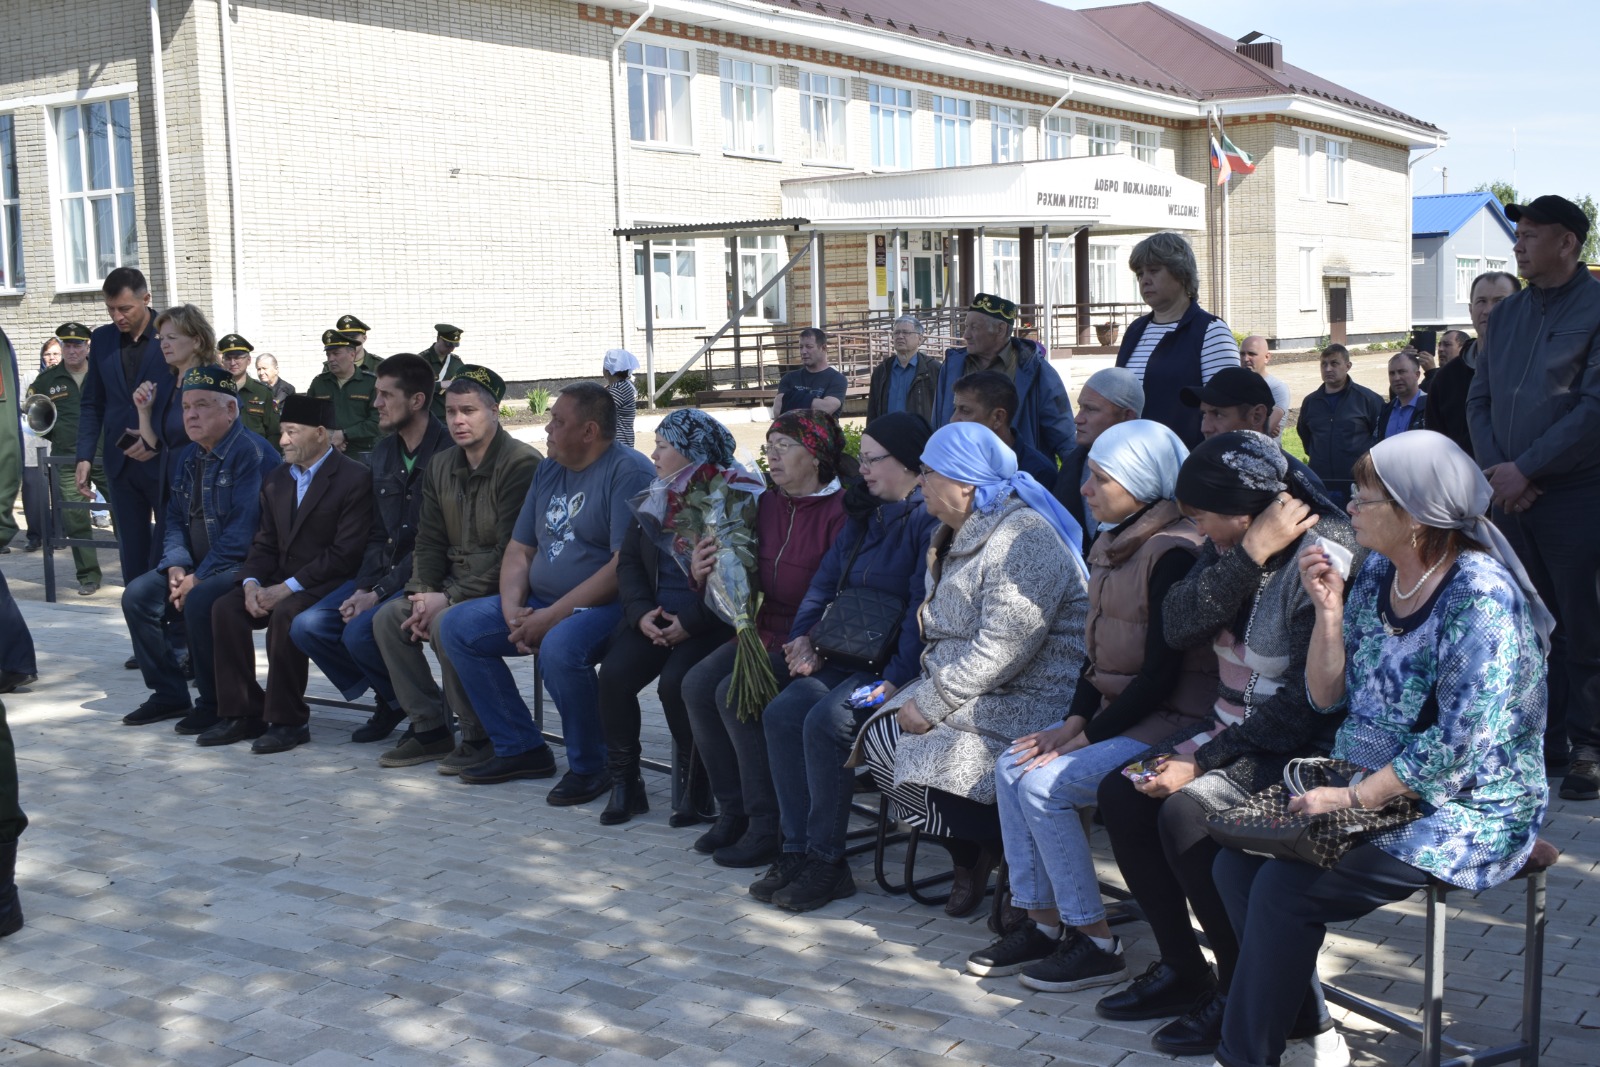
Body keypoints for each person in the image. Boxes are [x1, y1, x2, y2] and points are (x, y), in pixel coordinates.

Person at [1212, 432, 1550, 1067]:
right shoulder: (1374, 577)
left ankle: (1242, 1058)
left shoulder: (1480, 596)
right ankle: (1310, 1030)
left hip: (1468, 805)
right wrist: (1330, 614)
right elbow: (1323, 696)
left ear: (1415, 515)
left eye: (1365, 496)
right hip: (1375, 786)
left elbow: (1459, 747)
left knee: (1284, 890)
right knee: (1235, 867)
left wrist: (1347, 796)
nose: (1352, 506)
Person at [1090, 431, 1357, 1059]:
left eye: (1205, 518)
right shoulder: (1235, 543)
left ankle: (1243, 988)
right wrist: (1247, 554)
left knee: (1189, 813)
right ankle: (1187, 970)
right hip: (1229, 723)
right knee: (1122, 794)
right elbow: (1179, 623)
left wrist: (1201, 762)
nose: (1198, 531)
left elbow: (1308, 705)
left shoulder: (1323, 556)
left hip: (1297, 744)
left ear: (1245, 508)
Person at [968, 420, 1216, 990]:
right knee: (1013, 765)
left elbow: (1161, 675)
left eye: (1100, 479)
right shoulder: (1112, 539)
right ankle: (1043, 921)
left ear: (1142, 482)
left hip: (1175, 718)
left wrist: (1088, 737)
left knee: (1044, 785)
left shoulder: (1172, 552)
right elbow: (1094, 655)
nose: (1084, 489)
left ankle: (1096, 939)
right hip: (1124, 711)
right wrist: (1076, 721)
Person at [852, 421, 1091, 918]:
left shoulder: (1022, 536)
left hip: (1028, 693)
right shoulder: (960, 526)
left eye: (929, 472)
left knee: (913, 749)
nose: (920, 483)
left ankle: (1006, 853)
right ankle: (974, 850)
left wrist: (934, 702)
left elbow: (1006, 645)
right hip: (971, 683)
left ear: (965, 482)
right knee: (878, 736)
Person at [752, 412, 940, 910]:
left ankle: (827, 860)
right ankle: (795, 850)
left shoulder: (927, 521)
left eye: (875, 459)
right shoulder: (865, 512)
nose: (864, 467)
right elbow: (822, 584)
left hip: (892, 670)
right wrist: (802, 639)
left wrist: (898, 680)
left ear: (910, 465)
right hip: (845, 650)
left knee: (826, 721)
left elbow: (920, 613)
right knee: (782, 713)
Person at [435, 382, 652, 801]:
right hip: (541, 603)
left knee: (559, 648)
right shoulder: (551, 466)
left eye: (558, 421)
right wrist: (514, 610)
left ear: (589, 431)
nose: (547, 429)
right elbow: (520, 548)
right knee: (458, 626)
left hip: (605, 606)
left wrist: (551, 619)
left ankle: (594, 765)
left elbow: (620, 568)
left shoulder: (628, 470)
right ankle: (521, 747)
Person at [1467, 194, 1600, 799]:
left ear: (1568, 243)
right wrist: (1502, 470)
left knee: (1582, 619)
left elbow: (1593, 407)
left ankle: (1589, 745)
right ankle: (1541, 739)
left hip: (1576, 491)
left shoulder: (1596, 305)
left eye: (1530, 235)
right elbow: (1480, 398)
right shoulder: (1510, 313)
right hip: (1511, 494)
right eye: (1517, 234)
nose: (1517, 244)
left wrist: (1528, 467)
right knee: (1525, 623)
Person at [681, 410, 850, 866]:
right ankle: (734, 809)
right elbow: (743, 570)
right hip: (762, 630)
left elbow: (846, 594)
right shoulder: (768, 504)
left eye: (785, 446)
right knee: (696, 685)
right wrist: (705, 572)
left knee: (731, 694)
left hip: (811, 641)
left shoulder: (842, 512)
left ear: (814, 456)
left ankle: (767, 823)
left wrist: (811, 637)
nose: (771, 455)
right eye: (769, 445)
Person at [368, 366, 541, 771]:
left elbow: (511, 554)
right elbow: (428, 540)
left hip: (506, 589)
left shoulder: (520, 464)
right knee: (389, 618)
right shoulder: (443, 464)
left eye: (469, 411)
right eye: (450, 412)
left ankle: (480, 734)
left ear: (495, 412)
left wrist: (446, 598)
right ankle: (429, 728)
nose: (458, 421)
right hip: (449, 584)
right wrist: (421, 593)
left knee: (449, 622)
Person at [288, 354, 454, 746]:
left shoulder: (448, 452)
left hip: (430, 574)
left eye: (384, 395)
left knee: (361, 632)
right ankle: (394, 698)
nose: (375, 403)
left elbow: (436, 543)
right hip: (384, 572)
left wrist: (377, 595)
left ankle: (429, 714)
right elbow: (378, 534)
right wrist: (364, 588)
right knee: (308, 626)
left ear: (415, 400)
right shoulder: (383, 452)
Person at [594, 409, 742, 826]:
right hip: (655, 617)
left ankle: (696, 788)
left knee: (676, 685)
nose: (653, 455)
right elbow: (629, 567)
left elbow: (729, 586)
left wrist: (689, 623)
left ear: (692, 452)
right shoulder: (656, 494)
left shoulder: (729, 499)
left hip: (707, 622)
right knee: (615, 675)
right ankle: (626, 783)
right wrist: (640, 613)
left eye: (662, 446)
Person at [202, 395, 373, 753]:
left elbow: (346, 553)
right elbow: (264, 542)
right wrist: (250, 583)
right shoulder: (276, 479)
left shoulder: (354, 478)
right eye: (282, 432)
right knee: (226, 608)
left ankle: (288, 720)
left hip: (327, 582)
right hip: (280, 578)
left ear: (321, 433)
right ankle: (242, 712)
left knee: (286, 615)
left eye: (292, 432)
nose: (283, 441)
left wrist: (287, 588)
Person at [119, 366, 280, 734]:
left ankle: (214, 702)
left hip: (245, 566)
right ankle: (169, 693)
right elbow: (173, 518)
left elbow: (243, 533)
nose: (190, 415)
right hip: (195, 565)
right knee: (137, 596)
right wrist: (176, 565)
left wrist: (198, 576)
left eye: (202, 406)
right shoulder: (190, 456)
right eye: (186, 406)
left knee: (202, 597)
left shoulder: (252, 454)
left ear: (230, 410)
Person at [74, 267, 171, 581]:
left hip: (163, 461)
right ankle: (138, 624)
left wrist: (156, 439)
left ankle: (168, 623)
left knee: (168, 551)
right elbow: (92, 402)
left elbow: (186, 398)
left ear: (146, 299)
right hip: (120, 464)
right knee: (131, 554)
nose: (117, 316)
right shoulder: (102, 339)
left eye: (125, 308)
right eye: (110, 309)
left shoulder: (171, 334)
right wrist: (85, 456)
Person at [1113, 233, 1240, 447]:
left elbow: (1226, 409)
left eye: (1154, 270)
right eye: (1140, 273)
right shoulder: (1136, 330)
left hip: (1186, 461)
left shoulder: (1210, 331)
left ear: (1181, 273)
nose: (1145, 280)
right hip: (1133, 457)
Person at [933, 294, 1076, 466]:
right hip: (961, 471)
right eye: (965, 327)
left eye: (974, 328)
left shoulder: (1035, 370)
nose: (966, 335)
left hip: (1018, 473)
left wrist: (1073, 480)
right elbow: (937, 425)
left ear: (1000, 329)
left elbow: (1064, 435)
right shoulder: (951, 367)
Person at [30, 324, 109, 592]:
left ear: (88, 347)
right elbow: (36, 416)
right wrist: (60, 437)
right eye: (67, 345)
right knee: (75, 519)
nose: (72, 350)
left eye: (78, 345)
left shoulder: (103, 375)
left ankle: (134, 572)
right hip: (67, 458)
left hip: (105, 454)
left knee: (124, 513)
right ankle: (88, 576)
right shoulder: (47, 380)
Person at [1179, 366, 1326, 493]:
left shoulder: (1300, 486)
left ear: (1257, 416)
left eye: (1218, 414)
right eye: (1204, 415)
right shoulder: (1202, 474)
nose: (1205, 428)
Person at [1427, 272, 1520, 458]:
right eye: (1481, 301)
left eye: (1499, 301)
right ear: (1470, 310)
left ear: (1520, 307)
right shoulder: (1446, 379)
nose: (1488, 310)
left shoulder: (1536, 368)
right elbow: (1435, 445)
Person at [1054, 368, 1142, 553]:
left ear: (1127, 416)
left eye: (1091, 409)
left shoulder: (1149, 476)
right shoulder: (1073, 464)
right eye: (1080, 407)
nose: (1078, 419)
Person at [1296, 344, 1383, 506]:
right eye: (1324, 364)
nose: (1328, 368)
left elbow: (1379, 439)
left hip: (1357, 484)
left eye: (1334, 363)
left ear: (1348, 366)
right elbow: (1305, 436)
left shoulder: (1368, 400)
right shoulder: (1311, 402)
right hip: (1320, 483)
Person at [947, 370, 1058, 485]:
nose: (953, 420)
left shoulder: (1038, 473)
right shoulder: (953, 459)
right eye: (955, 409)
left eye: (965, 411)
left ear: (998, 418)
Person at [307, 330, 379, 455]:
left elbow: (378, 421)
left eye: (336, 354)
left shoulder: (371, 383)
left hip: (362, 453)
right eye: (328, 355)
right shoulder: (319, 383)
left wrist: (345, 434)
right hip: (326, 452)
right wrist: (329, 436)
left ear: (352, 355)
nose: (331, 359)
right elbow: (308, 419)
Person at [867, 315, 941, 423]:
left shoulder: (933, 370)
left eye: (906, 332)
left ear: (920, 339)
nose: (900, 336)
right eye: (896, 333)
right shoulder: (882, 371)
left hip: (920, 436)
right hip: (887, 435)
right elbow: (872, 412)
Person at [217, 334, 281, 446]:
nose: (232, 363)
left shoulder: (263, 392)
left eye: (237, 357)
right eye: (228, 358)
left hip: (257, 458)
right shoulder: (216, 391)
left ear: (249, 360)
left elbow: (274, 432)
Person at [773, 327, 847, 417]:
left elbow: (825, 409)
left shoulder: (837, 379)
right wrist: (814, 402)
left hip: (822, 430)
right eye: (801, 347)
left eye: (809, 347)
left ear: (823, 348)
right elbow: (777, 411)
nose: (803, 351)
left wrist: (791, 399)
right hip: (790, 430)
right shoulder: (789, 378)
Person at [1371, 350, 1427, 443]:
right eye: (1392, 373)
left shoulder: (1431, 407)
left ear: (1417, 375)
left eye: (1402, 372)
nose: (1396, 378)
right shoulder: (1386, 411)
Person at [1238, 335, 1288, 437]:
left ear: (1267, 357)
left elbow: (1265, 430)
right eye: (1242, 354)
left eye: (1252, 354)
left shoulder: (1277, 388)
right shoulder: (1233, 385)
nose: (1245, 359)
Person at [420, 324, 467, 420]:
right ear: (438, 339)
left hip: (452, 415)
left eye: (454, 345)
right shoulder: (421, 361)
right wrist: (440, 385)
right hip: (428, 416)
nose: (451, 349)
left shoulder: (455, 362)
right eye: (448, 344)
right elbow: (413, 386)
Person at [603, 348, 640, 450]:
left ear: (607, 370)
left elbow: (601, 412)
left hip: (618, 444)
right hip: (624, 442)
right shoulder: (623, 386)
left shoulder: (618, 389)